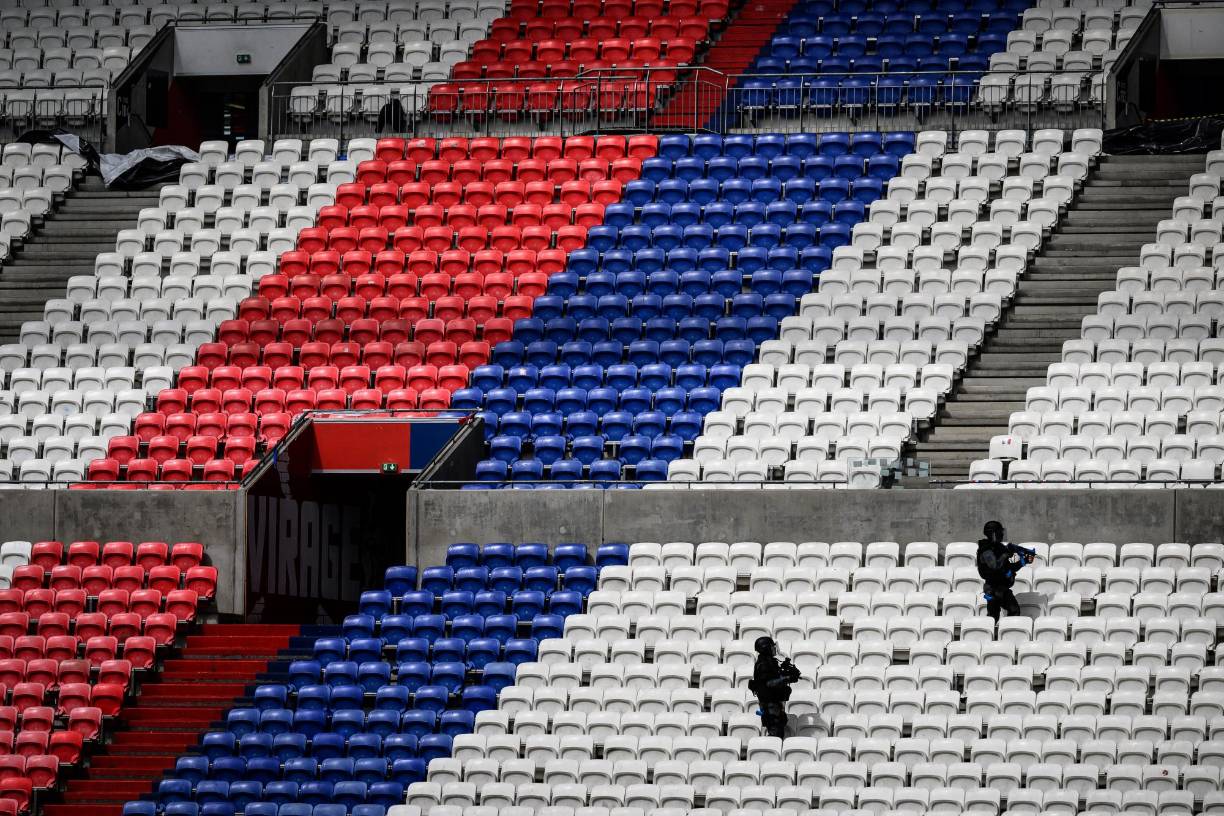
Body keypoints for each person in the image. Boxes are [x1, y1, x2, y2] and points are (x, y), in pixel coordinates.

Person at [749, 636, 801, 738]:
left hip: (773, 703)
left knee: (779, 726)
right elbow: (769, 683)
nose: (774, 649)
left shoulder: (769, 661)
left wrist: (788, 675)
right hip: (770, 705)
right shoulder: (763, 664)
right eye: (772, 647)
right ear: (766, 649)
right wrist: (786, 678)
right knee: (775, 732)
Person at [976, 519, 1024, 621]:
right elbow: (995, 566)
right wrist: (1005, 554)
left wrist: (1023, 561)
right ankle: (998, 634)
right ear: (993, 533)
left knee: (1005, 612)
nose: (1002, 534)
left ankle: (1006, 633)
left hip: (1001, 587)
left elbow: (1009, 566)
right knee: (999, 615)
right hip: (993, 589)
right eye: (999, 532)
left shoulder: (999, 547)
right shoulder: (986, 549)